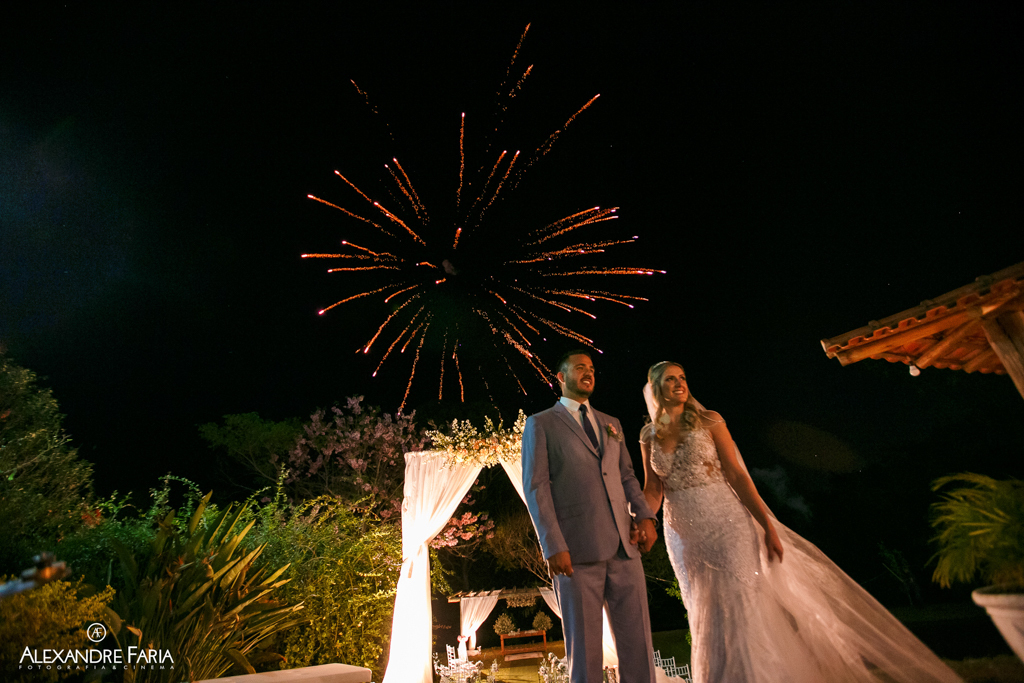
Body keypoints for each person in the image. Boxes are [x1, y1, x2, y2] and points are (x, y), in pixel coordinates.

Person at [640, 361, 963, 683]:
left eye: (683, 377)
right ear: (656, 388)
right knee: (703, 609)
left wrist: (767, 526)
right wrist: (641, 519)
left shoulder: (710, 420)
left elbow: (737, 475)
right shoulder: (649, 435)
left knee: (740, 601)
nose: (680, 383)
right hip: (683, 532)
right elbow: (653, 489)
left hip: (726, 522)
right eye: (670, 379)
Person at [523, 350, 659, 683]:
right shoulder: (541, 423)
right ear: (560, 377)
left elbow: (626, 475)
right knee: (584, 652)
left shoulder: (611, 423)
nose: (588, 372)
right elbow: (536, 487)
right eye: (580, 368)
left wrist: (645, 517)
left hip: (625, 548)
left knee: (639, 644)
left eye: (592, 368)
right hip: (576, 552)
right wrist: (553, 545)